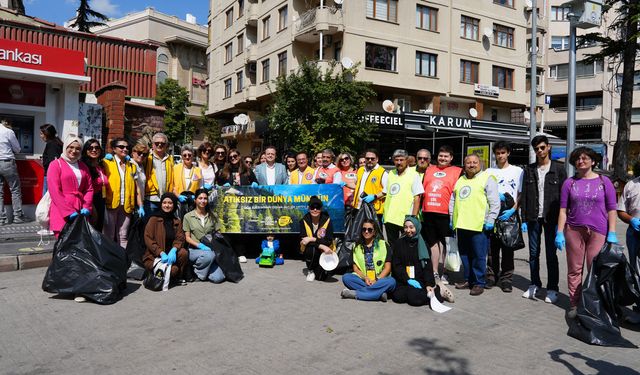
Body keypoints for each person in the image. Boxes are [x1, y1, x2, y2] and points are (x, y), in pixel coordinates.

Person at [556, 147, 618, 319]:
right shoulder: (570, 183)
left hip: (598, 232)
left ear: (593, 161)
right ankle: (575, 304)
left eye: (584, 158)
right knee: (574, 270)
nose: (580, 161)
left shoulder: (604, 181)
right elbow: (563, 210)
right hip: (574, 230)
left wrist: (612, 232)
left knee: (595, 270)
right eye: (577, 159)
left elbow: (612, 209)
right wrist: (559, 232)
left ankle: (595, 305)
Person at [520, 135, 567, 303]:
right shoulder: (529, 170)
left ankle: (552, 288)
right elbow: (525, 195)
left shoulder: (559, 169)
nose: (539, 151)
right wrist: (524, 219)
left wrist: (564, 222)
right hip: (533, 217)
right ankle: (534, 284)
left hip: (552, 218)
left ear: (548, 147)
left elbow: (564, 196)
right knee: (533, 254)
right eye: (536, 149)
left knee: (551, 254)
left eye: (542, 147)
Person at [450, 153, 500, 296]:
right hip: (462, 224)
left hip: (479, 225)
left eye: (474, 162)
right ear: (464, 165)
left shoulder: (487, 178)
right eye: (468, 163)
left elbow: (495, 202)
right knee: (465, 255)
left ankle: (479, 282)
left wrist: (491, 220)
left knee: (479, 256)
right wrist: (452, 218)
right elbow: (453, 201)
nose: (471, 165)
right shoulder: (461, 180)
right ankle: (468, 279)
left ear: (480, 163)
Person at [485, 141, 523, 292]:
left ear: (508, 153)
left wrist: (513, 209)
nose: (500, 155)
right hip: (492, 215)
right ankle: (491, 276)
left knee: (508, 248)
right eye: (498, 153)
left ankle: (506, 279)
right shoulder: (488, 172)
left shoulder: (517, 171)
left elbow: (520, 194)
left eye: (503, 152)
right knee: (491, 249)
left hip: (509, 215)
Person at [421, 145, 462, 284]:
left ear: (451, 158)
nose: (442, 158)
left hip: (446, 214)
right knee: (433, 244)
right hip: (429, 212)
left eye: (446, 156)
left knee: (446, 244)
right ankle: (434, 272)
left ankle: (445, 272)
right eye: (440, 155)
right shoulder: (429, 170)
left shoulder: (457, 171)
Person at [47, 135, 93, 238]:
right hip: (61, 211)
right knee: (63, 246)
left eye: (78, 148)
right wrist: (68, 212)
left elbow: (89, 189)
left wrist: (86, 206)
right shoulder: (55, 164)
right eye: (71, 147)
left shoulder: (83, 166)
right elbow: (54, 191)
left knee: (79, 246)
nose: (74, 150)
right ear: (65, 147)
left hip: (80, 210)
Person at [341, 218, 396, 302]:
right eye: (364, 229)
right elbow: (355, 268)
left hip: (380, 279)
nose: (366, 232)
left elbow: (387, 268)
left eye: (370, 230)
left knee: (391, 282)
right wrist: (365, 278)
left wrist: (376, 280)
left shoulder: (383, 244)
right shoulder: (356, 246)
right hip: (364, 279)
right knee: (346, 278)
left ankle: (356, 294)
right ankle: (379, 294)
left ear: (374, 232)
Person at [102, 138, 142, 248]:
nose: (125, 149)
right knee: (109, 235)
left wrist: (140, 205)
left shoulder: (132, 165)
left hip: (127, 205)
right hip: (111, 204)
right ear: (114, 149)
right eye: (121, 147)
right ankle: (109, 260)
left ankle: (122, 260)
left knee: (123, 236)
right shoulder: (106, 163)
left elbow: (136, 188)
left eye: (127, 147)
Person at [143, 192, 189, 284]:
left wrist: (174, 249)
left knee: (183, 253)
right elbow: (148, 238)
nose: (167, 205)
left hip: (170, 255)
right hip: (155, 257)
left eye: (170, 203)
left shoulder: (176, 221)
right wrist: (161, 252)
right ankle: (162, 275)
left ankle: (175, 278)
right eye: (164, 203)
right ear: (161, 204)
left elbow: (180, 238)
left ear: (174, 205)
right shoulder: (154, 219)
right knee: (173, 270)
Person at [391, 216, 436, 306]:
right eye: (406, 227)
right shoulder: (399, 243)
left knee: (415, 299)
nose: (408, 230)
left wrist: (428, 284)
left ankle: (438, 292)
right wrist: (407, 279)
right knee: (398, 297)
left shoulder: (423, 244)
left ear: (417, 227)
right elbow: (396, 265)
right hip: (404, 279)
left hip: (419, 280)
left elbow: (427, 266)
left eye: (411, 227)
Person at [183, 188, 225, 283]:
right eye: (200, 198)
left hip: (211, 250)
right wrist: (200, 245)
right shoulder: (188, 216)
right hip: (194, 250)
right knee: (209, 255)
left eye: (205, 198)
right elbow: (187, 238)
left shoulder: (213, 215)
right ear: (195, 200)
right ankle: (199, 273)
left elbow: (218, 233)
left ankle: (200, 269)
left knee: (219, 278)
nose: (203, 201)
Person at [382, 149, 424, 244]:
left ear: (406, 160)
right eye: (396, 160)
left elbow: (417, 197)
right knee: (392, 244)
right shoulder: (391, 174)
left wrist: (413, 217)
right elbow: (385, 192)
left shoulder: (414, 175)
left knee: (406, 245)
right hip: (390, 217)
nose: (399, 162)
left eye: (401, 160)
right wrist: (373, 196)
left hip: (405, 218)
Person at [299, 196, 335, 282]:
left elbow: (328, 240)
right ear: (309, 208)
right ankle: (310, 270)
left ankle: (319, 269)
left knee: (321, 278)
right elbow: (304, 241)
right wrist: (321, 245)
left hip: (326, 250)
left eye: (317, 207)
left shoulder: (327, 220)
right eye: (312, 207)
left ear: (321, 209)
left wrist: (312, 239)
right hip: (311, 249)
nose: (315, 210)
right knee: (311, 249)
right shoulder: (303, 221)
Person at [0, 119, 29, 224]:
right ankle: (18, 216)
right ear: (7, 123)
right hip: (7, 162)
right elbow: (17, 149)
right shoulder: (8, 132)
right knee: (15, 190)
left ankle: (1, 219)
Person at [352, 149, 387, 226]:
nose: (370, 160)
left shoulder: (382, 172)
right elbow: (357, 186)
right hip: (358, 207)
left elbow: (386, 191)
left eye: (372, 158)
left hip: (373, 210)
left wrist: (374, 196)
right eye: (367, 158)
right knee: (359, 233)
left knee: (374, 234)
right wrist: (343, 184)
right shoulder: (361, 170)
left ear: (377, 159)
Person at [81, 138, 107, 232]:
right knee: (91, 229)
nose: (94, 150)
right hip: (91, 201)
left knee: (99, 229)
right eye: (90, 148)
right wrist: (91, 206)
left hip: (102, 200)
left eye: (97, 147)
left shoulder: (101, 165)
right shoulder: (84, 166)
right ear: (86, 150)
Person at [144, 133, 174, 214]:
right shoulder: (146, 157)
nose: (160, 145)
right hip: (151, 199)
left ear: (166, 145)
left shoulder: (170, 159)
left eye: (162, 143)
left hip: (166, 200)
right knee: (150, 225)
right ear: (152, 145)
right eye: (157, 143)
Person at [617, 172, 640, 272]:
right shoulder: (631, 185)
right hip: (634, 233)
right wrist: (631, 220)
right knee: (635, 269)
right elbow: (621, 211)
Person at [40, 123, 63, 195]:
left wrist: (44, 161)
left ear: (47, 134)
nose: (40, 136)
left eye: (41, 133)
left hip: (50, 175)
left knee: (46, 200)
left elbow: (53, 161)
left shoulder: (52, 144)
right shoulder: (56, 142)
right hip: (53, 175)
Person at [130, 143, 149, 208]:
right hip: (132, 201)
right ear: (133, 152)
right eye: (139, 153)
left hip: (140, 200)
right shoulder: (130, 164)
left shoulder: (141, 166)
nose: (141, 155)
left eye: (144, 154)